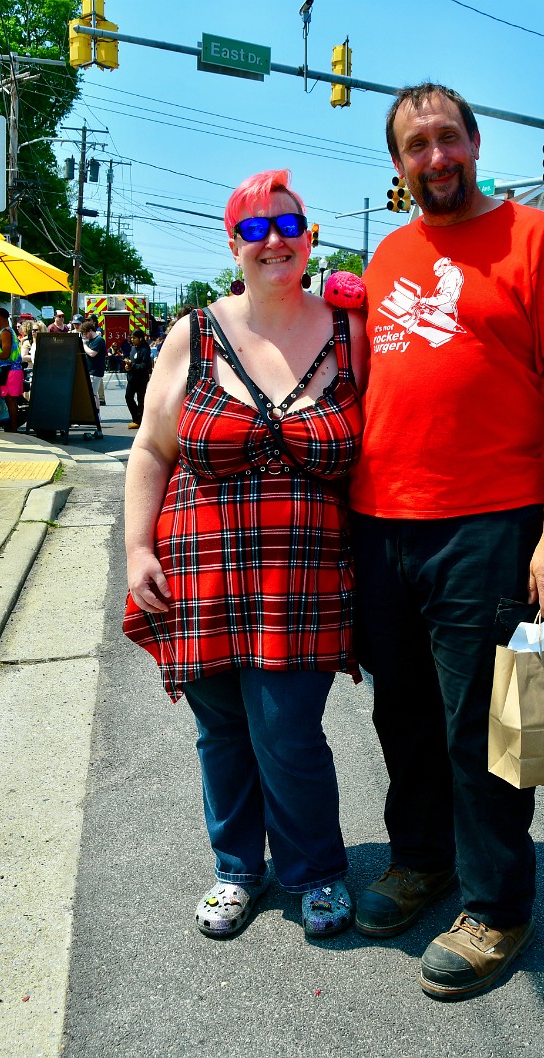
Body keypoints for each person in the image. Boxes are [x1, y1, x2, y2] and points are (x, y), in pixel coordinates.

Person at [349, 83, 544, 1000]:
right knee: (402, 714)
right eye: (416, 146)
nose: (435, 158)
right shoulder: (387, 253)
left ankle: (496, 904)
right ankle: (421, 861)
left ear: (475, 141)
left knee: (482, 728)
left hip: (489, 521)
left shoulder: (539, 240)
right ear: (399, 163)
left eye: (447, 138)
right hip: (381, 522)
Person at [122, 168, 366, 941]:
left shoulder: (347, 329)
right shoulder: (194, 333)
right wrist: (136, 548)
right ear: (233, 245)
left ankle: (316, 871)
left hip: (303, 582)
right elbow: (151, 450)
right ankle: (236, 869)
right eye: (255, 229)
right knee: (222, 731)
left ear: (310, 238)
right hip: (201, 577)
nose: (274, 241)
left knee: (288, 731)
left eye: (288, 226)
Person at [0, 306, 25, 432]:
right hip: (11, 370)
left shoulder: (5, 332)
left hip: (11, 369)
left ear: (0, 318)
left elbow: (5, 354)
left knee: (11, 399)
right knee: (9, 399)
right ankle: (12, 425)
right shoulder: (7, 331)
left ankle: (13, 427)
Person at [81, 319, 107, 437]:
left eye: (85, 333)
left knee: (93, 393)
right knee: (93, 393)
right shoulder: (92, 340)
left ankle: (96, 414)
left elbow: (92, 353)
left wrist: (84, 345)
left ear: (90, 331)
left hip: (95, 371)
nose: (85, 336)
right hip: (90, 371)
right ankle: (96, 414)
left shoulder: (99, 340)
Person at [123, 328, 152, 428]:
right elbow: (131, 362)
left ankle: (139, 420)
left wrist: (132, 365)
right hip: (132, 378)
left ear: (140, 338)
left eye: (134, 338)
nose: (132, 340)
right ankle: (137, 417)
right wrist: (127, 367)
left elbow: (145, 366)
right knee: (128, 397)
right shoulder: (133, 348)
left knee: (141, 400)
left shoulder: (145, 349)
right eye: (131, 338)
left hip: (141, 379)